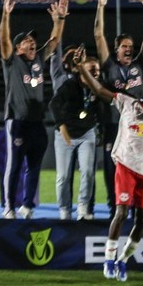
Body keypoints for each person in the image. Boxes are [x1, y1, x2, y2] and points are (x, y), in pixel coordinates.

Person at [77, 52, 143, 282]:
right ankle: (108, 259)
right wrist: (81, 67)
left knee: (142, 219)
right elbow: (99, 90)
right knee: (122, 212)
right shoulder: (128, 103)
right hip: (126, 165)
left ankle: (123, 260)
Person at [0, 0, 66, 219]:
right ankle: (9, 207)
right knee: (15, 165)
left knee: (34, 166)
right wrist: (5, 15)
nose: (32, 43)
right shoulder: (12, 61)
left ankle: (27, 206)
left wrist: (59, 20)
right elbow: (4, 40)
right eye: (28, 40)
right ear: (18, 47)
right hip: (17, 120)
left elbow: (54, 41)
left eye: (33, 40)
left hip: (37, 122)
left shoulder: (37, 60)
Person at [94, 0, 143, 218]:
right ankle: (115, 207)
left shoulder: (140, 65)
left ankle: (138, 207)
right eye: (124, 46)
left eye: (131, 46)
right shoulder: (109, 66)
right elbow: (98, 36)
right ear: (116, 49)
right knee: (113, 167)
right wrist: (100, 7)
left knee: (139, 166)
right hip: (113, 125)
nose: (129, 48)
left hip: (137, 126)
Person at [50, 53, 108, 220]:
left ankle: (83, 207)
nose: (96, 73)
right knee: (63, 176)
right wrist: (61, 125)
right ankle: (64, 210)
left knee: (88, 172)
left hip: (87, 133)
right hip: (65, 134)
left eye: (97, 70)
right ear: (82, 71)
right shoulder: (70, 85)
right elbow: (54, 104)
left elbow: (102, 109)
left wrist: (100, 130)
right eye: (92, 70)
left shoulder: (98, 86)